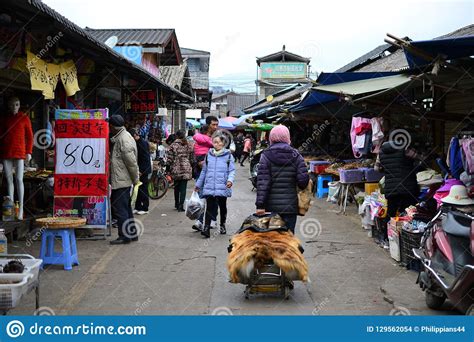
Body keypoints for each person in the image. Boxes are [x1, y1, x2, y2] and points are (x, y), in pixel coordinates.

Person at [255, 125, 309, 234]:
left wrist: (260, 205)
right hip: (290, 207)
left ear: (271, 138)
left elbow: (262, 183)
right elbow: (303, 182)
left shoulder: (265, 155)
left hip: (271, 207)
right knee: (287, 241)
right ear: (287, 137)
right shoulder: (296, 155)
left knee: (273, 241)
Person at [195, 132, 235, 238]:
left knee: (222, 206)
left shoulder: (228, 155)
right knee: (209, 206)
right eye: (214, 142)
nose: (216, 144)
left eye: (218, 142)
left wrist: (230, 180)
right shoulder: (209, 155)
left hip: (223, 185)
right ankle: (206, 228)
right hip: (210, 185)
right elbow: (204, 171)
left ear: (223, 143)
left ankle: (222, 224)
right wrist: (198, 184)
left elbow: (231, 170)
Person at [108, 115, 140, 245]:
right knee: (125, 208)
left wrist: (135, 179)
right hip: (122, 179)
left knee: (120, 209)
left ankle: (124, 236)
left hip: (122, 180)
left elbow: (131, 163)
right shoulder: (121, 137)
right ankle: (132, 234)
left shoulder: (123, 139)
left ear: (113, 127)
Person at [191, 116, 219, 231]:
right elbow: (195, 153)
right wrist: (198, 162)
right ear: (208, 125)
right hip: (201, 171)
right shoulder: (201, 138)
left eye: (217, 124)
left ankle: (212, 220)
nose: (215, 127)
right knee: (202, 196)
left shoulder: (217, 137)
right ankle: (200, 221)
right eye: (213, 124)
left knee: (214, 196)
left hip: (215, 171)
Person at [167, 130, 194, 212]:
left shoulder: (173, 145)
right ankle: (181, 206)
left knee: (176, 187)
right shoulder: (188, 145)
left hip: (176, 168)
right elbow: (192, 158)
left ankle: (176, 203)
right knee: (183, 188)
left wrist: (168, 169)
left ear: (176, 136)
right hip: (186, 168)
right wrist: (190, 165)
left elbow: (169, 159)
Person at [130, 128, 152, 215]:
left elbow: (145, 159)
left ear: (135, 135)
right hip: (139, 169)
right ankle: (138, 207)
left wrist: (142, 171)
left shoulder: (142, 143)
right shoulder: (137, 142)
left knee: (143, 189)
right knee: (138, 188)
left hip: (143, 170)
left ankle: (145, 208)